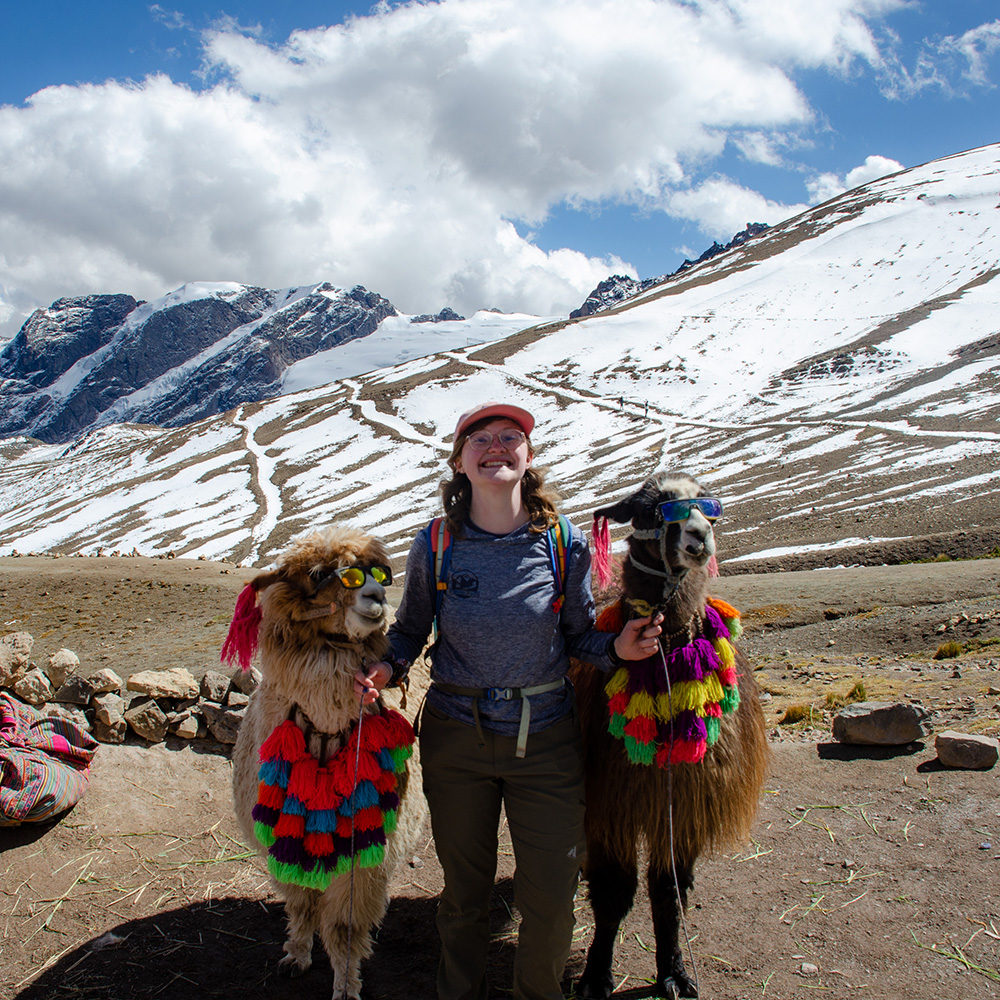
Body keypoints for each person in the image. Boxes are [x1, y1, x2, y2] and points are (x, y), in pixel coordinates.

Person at [355, 401, 662, 1000]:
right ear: (460, 461)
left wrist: (619, 648)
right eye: (480, 438)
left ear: (527, 456)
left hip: (546, 738)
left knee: (549, 900)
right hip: (456, 737)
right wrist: (386, 667)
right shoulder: (437, 543)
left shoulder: (562, 542)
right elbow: (412, 629)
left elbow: (577, 637)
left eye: (509, 437)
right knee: (464, 896)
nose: (496, 446)